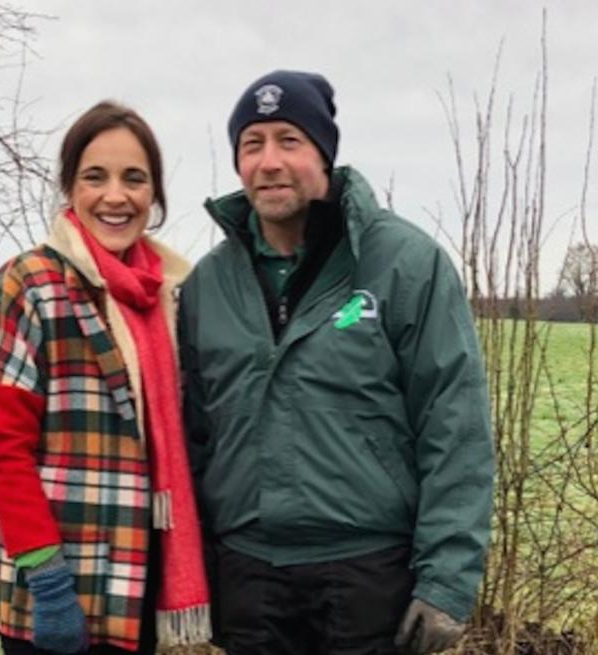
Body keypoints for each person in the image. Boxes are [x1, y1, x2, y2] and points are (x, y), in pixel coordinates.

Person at [178, 70, 494, 655]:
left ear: (324, 152)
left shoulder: (406, 265)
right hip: (249, 576)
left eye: (288, 140)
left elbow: (455, 425)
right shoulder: (206, 285)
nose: (269, 161)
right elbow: (193, 439)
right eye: (253, 144)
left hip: (369, 575)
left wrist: (448, 580)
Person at [0, 101, 211, 655]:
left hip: (135, 580)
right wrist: (49, 582)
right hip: (54, 590)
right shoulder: (31, 285)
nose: (115, 196)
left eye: (135, 179)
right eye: (94, 177)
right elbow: (2, 449)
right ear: (70, 188)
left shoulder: (171, 296)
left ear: (156, 196)